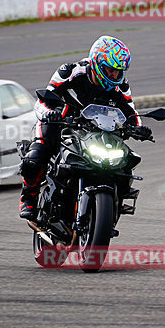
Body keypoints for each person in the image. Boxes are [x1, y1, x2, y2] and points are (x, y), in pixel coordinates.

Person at [19, 35, 152, 220]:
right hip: (62, 121)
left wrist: (138, 128)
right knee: (37, 153)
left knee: (125, 161)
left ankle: (113, 205)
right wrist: (50, 113)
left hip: (96, 128)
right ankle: (28, 198)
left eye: (118, 71)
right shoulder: (70, 71)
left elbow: (131, 112)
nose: (114, 75)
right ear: (97, 62)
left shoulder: (121, 84)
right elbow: (43, 101)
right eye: (111, 70)